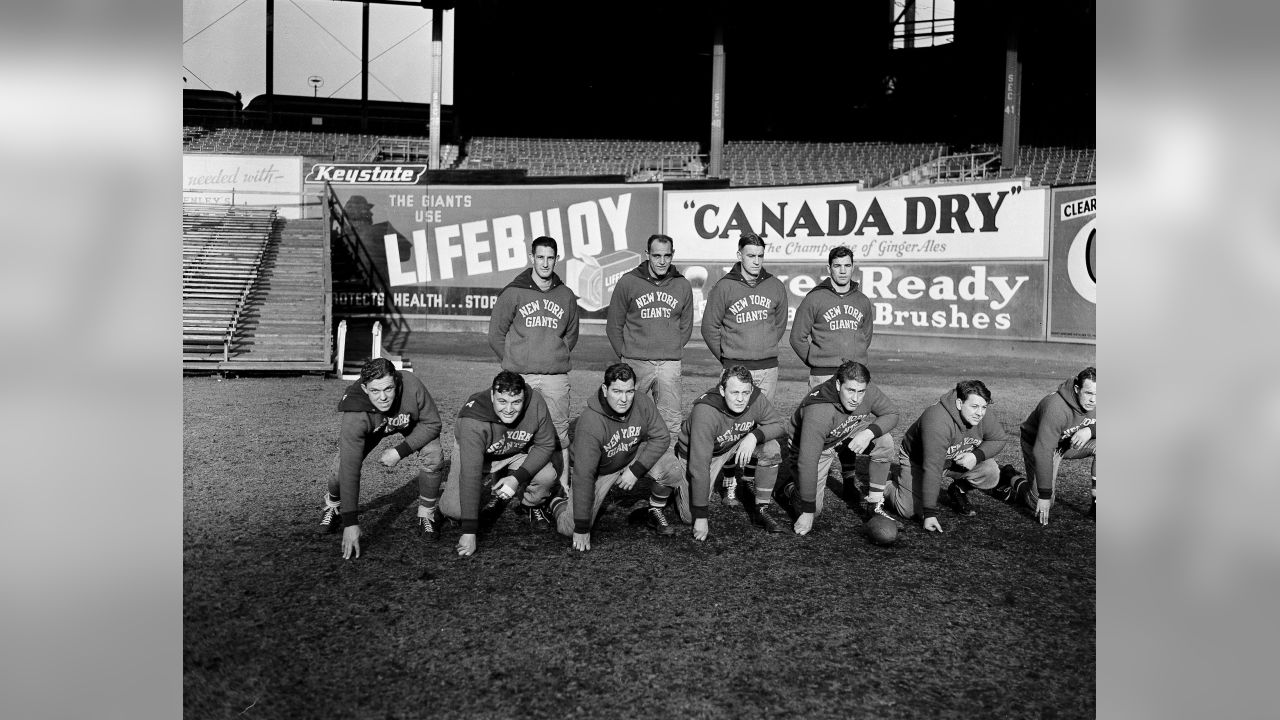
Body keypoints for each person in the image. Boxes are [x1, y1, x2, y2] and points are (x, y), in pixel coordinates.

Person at [417, 371, 562, 557]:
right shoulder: (473, 419)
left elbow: (546, 444)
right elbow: (470, 475)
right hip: (479, 457)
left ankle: (531, 504)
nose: (509, 409)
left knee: (546, 476)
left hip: (515, 453)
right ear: (492, 395)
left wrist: (517, 478)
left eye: (516, 402)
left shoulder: (535, 402)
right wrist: (469, 532)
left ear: (524, 397)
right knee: (456, 511)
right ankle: (444, 508)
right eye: (502, 401)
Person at [320, 357, 443, 560]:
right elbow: (350, 468)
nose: (383, 397)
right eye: (375, 391)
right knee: (341, 467)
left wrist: (400, 451)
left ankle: (426, 513)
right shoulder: (355, 414)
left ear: (396, 382)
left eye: (388, 388)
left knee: (434, 454)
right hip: (372, 426)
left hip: (406, 422)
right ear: (365, 389)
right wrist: (351, 522)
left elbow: (432, 424)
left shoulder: (411, 385)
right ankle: (332, 505)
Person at [548, 363, 679, 551]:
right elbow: (584, 475)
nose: (624, 399)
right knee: (570, 528)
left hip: (629, 455)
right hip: (599, 471)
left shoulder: (641, 402)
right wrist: (583, 529)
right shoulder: (591, 421)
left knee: (672, 468)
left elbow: (661, 437)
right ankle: (556, 500)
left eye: (629, 392)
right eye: (617, 391)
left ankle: (654, 510)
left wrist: (636, 470)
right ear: (605, 389)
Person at [699, 232, 789, 502]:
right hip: (736, 371)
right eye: (751, 255)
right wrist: (728, 360)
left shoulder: (774, 285)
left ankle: (749, 479)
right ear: (739, 256)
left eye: (761, 256)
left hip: (767, 369)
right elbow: (709, 328)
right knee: (731, 425)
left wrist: (764, 348)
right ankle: (729, 481)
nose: (756, 261)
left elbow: (780, 324)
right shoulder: (724, 286)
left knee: (760, 425)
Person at [650, 366, 788, 539]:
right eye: (734, 392)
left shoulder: (755, 398)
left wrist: (754, 436)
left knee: (771, 448)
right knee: (690, 517)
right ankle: (677, 486)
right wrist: (701, 517)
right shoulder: (706, 411)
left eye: (745, 393)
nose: (740, 399)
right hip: (700, 454)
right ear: (722, 390)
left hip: (731, 444)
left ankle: (761, 509)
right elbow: (699, 466)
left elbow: (780, 424)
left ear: (751, 390)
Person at [487, 235, 579, 485]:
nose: (545, 263)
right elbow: (496, 334)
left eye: (550, 258)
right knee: (511, 430)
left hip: (555, 377)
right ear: (532, 258)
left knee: (559, 433)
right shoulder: (514, 291)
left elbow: (571, 336)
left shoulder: (566, 295)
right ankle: (501, 484)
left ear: (557, 259)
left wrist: (553, 355)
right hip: (521, 376)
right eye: (540, 257)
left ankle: (561, 489)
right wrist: (514, 361)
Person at [774, 361, 900, 536]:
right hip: (814, 448)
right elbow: (808, 460)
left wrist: (869, 433)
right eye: (850, 391)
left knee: (884, 441)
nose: (856, 398)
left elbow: (892, 413)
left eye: (860, 392)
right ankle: (789, 487)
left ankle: (875, 504)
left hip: (841, 432)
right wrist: (807, 512)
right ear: (838, 384)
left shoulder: (866, 389)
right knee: (813, 510)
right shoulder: (819, 410)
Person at [884, 379, 1008, 532]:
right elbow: (933, 467)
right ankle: (886, 483)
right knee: (908, 510)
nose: (980, 413)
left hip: (953, 458)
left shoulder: (981, 413)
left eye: (984, 407)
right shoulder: (937, 421)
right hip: (918, 460)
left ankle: (958, 490)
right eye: (975, 407)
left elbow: (999, 438)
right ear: (959, 403)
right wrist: (929, 513)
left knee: (991, 472)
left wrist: (975, 456)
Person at [605, 233, 694, 441]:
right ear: (647, 255)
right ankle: (630, 467)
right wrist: (627, 354)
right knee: (630, 418)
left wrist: (671, 348)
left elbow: (686, 326)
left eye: (666, 255)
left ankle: (668, 468)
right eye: (656, 256)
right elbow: (613, 325)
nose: (662, 261)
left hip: (669, 364)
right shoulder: (628, 282)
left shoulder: (682, 285)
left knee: (671, 421)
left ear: (673, 255)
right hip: (636, 362)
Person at [992, 367, 1096, 525]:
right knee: (1038, 501)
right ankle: (1010, 476)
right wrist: (1045, 495)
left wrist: (1091, 430)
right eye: (1088, 393)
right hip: (1039, 444)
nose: (1094, 400)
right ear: (1077, 389)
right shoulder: (1056, 408)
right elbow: (1043, 450)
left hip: (1068, 443)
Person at [789, 245, 874, 387]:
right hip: (823, 375)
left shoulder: (862, 300)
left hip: (856, 374)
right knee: (822, 410)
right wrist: (814, 360)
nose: (842, 271)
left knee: (856, 410)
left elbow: (866, 336)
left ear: (853, 268)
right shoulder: (814, 298)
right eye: (837, 266)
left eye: (847, 265)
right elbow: (797, 337)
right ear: (829, 269)